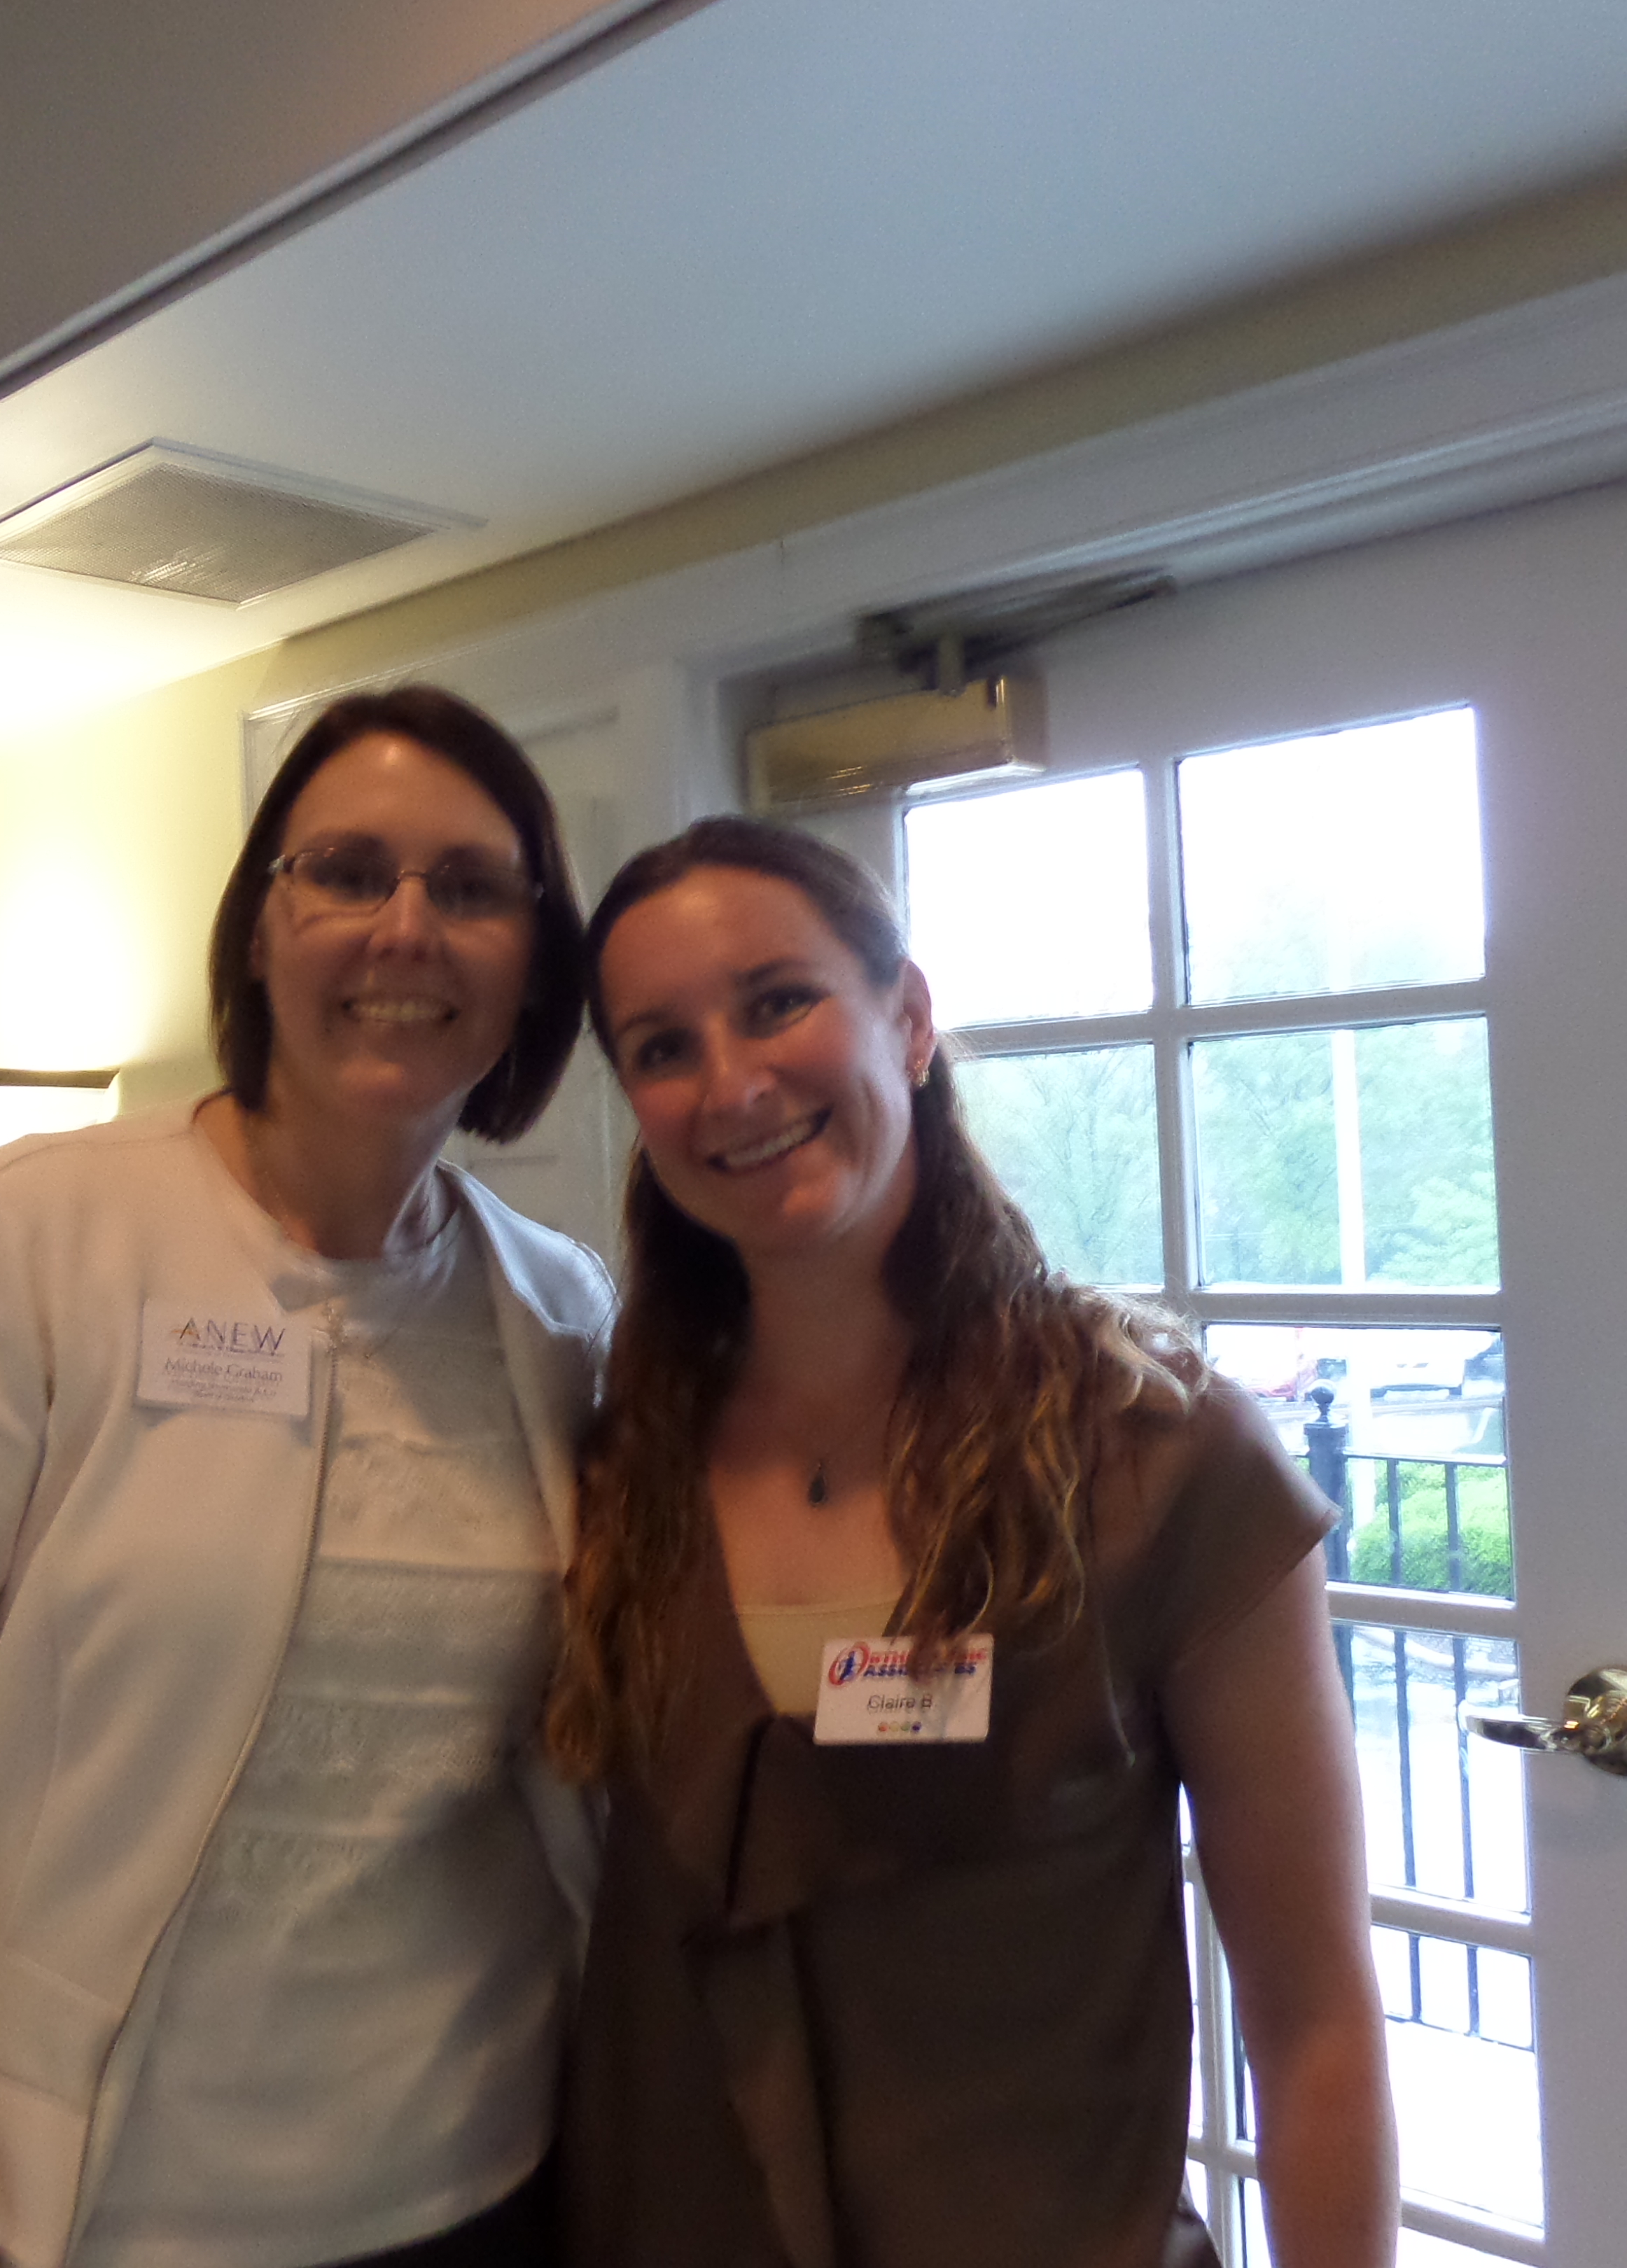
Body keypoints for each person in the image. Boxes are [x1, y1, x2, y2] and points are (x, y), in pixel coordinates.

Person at [0, 685, 615, 2268]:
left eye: (473, 887)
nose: (407, 926)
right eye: (348, 871)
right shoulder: (30, 1243)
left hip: (480, 2176)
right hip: (94, 2204)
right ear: (261, 929)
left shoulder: (560, 1314)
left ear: (534, 959)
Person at [547, 818, 1394, 2268]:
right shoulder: (618, 1470)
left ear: (910, 1019)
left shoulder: (1153, 1453)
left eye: (777, 1003)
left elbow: (1312, 2019)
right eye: (663, 1047)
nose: (732, 1085)